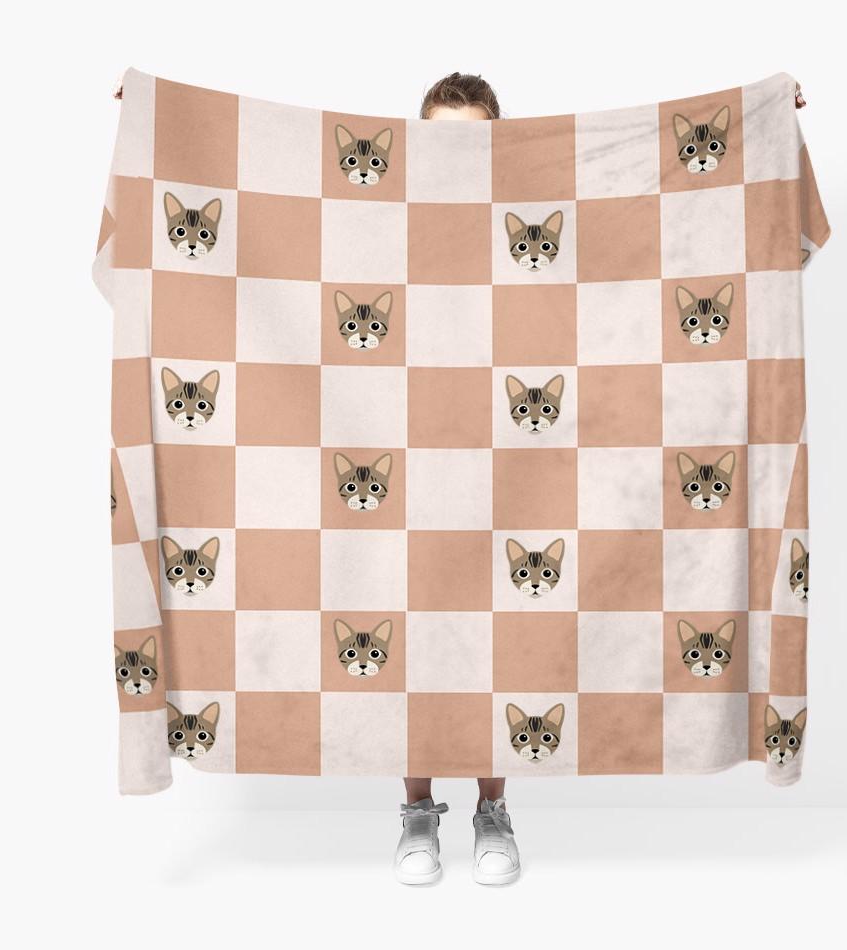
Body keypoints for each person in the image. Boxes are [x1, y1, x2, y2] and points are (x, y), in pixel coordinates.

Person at [392, 72, 518, 887]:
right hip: (406, 445)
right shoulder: (387, 219)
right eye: (441, 139)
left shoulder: (533, 219)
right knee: (414, 627)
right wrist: (155, 120)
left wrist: (764, 120)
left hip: (510, 450)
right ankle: (416, 812)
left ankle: (493, 810)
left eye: (475, 140)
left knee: (497, 633)